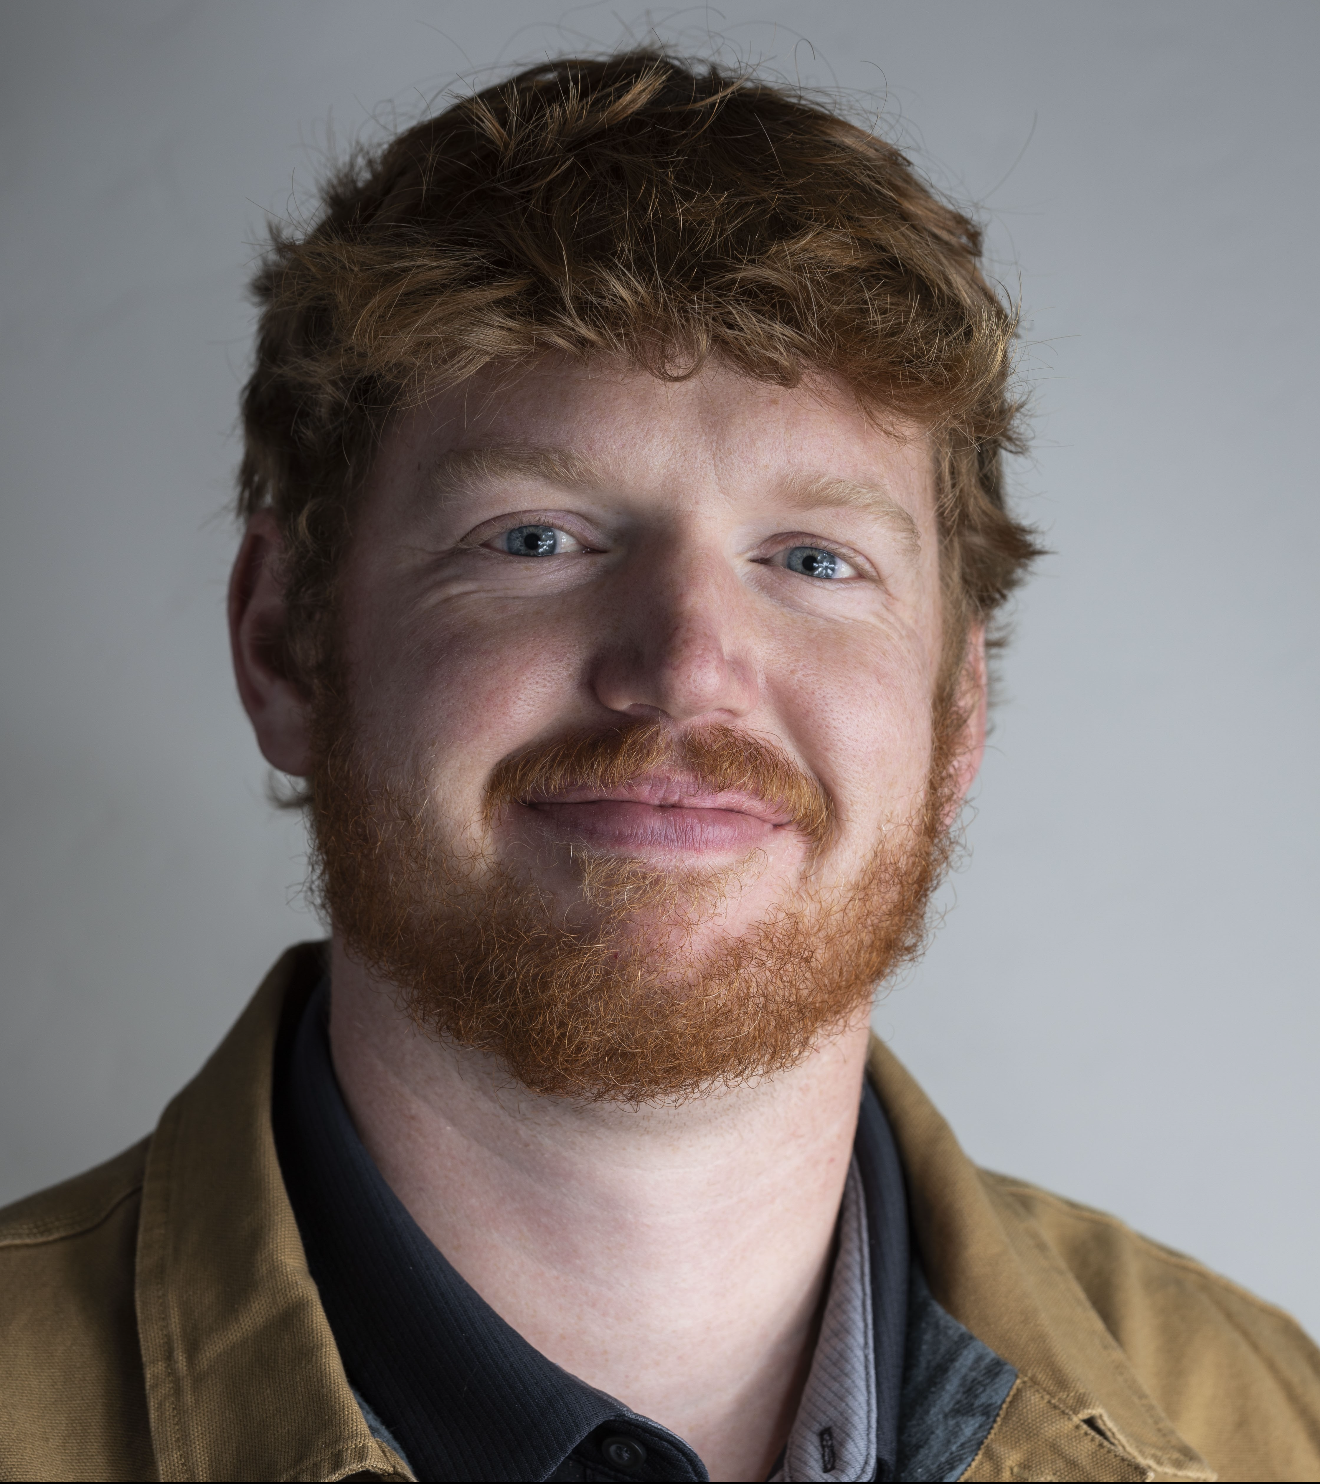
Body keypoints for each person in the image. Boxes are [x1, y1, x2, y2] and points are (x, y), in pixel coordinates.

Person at [2, 51, 1316, 1484]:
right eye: (536, 539)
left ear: (960, 711)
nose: (688, 666)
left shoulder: (1279, 1424)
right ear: (283, 646)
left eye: (814, 560)